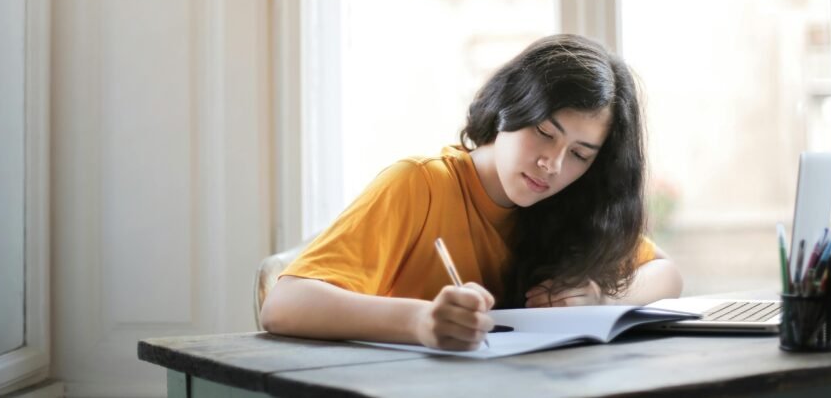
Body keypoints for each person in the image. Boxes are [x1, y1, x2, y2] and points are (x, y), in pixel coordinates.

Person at [261, 34, 682, 350]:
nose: (552, 164)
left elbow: (667, 274)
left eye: (580, 154)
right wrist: (420, 321)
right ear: (509, 107)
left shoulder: (569, 205)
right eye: (544, 132)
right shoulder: (420, 184)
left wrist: (601, 297)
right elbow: (283, 304)